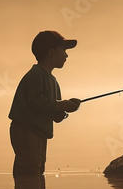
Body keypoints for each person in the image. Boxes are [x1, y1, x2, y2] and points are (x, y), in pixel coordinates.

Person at [8, 31, 81, 178]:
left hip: (39, 133)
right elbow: (36, 104)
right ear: (52, 53)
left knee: (37, 169)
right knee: (29, 170)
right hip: (26, 132)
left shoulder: (53, 81)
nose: (66, 55)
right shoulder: (35, 75)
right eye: (64, 50)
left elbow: (55, 116)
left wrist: (66, 109)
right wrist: (62, 105)